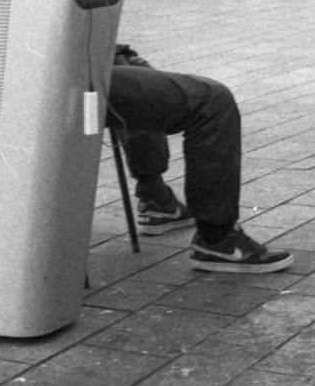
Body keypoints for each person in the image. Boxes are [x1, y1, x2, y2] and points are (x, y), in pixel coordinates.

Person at [108, 47, 293, 274]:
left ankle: (156, 197)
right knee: (212, 100)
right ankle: (216, 238)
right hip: (67, 74)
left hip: (76, 65)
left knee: (131, 69)